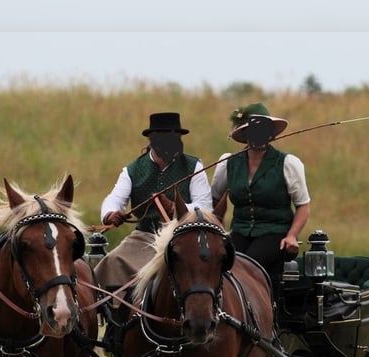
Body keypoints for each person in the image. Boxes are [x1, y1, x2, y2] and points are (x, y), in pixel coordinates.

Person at [95, 112, 212, 291]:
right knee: (111, 261)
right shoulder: (132, 170)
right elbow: (114, 199)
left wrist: (175, 208)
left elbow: (205, 207)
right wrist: (111, 214)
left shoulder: (194, 166)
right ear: (151, 139)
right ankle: (116, 313)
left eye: (175, 137)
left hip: (182, 237)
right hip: (144, 237)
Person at [210, 102, 310, 297]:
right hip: (239, 230)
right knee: (221, 260)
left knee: (248, 263)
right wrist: (218, 229)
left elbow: (303, 205)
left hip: (275, 232)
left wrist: (292, 235)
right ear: (246, 135)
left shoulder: (288, 163)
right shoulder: (228, 163)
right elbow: (215, 199)